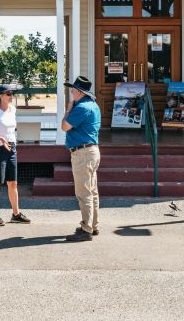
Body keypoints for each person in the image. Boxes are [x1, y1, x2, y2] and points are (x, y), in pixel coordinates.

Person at [61, 75, 102, 242]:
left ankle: (86, 229)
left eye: (73, 89)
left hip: (82, 153)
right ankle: (93, 225)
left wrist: (69, 109)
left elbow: (65, 126)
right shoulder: (93, 105)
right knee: (91, 191)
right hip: (91, 151)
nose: (71, 91)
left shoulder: (81, 108)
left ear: (79, 92)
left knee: (83, 192)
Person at [0, 85, 31, 226]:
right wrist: (0, 138)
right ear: (0, 95)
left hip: (12, 147)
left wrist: (13, 143)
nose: (11, 96)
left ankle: (16, 213)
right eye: (8, 93)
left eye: (12, 93)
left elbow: (13, 129)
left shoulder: (13, 109)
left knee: (13, 182)